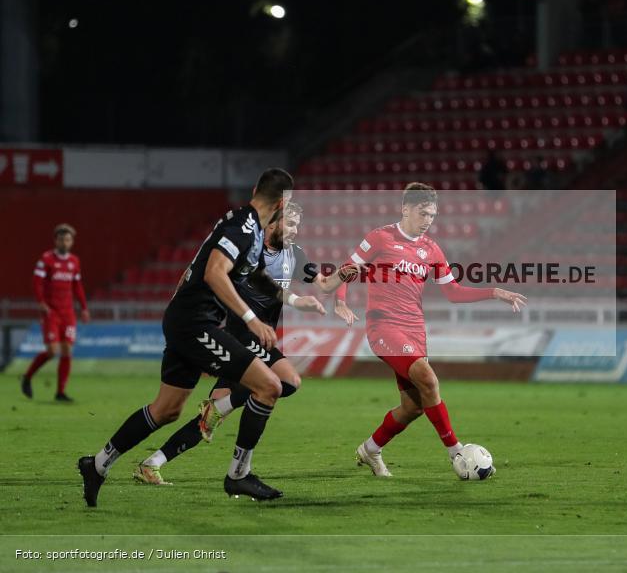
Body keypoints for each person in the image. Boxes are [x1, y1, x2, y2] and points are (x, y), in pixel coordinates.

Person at [78, 168, 298, 506]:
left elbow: (214, 270)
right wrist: (252, 319)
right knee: (270, 386)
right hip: (196, 325)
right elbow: (214, 273)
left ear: (256, 189)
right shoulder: (245, 226)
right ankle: (239, 475)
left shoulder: (245, 227)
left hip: (188, 322)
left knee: (166, 410)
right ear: (284, 203)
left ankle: (97, 465)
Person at [132, 202, 357, 485]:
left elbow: (324, 284)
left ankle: (152, 463)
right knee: (289, 380)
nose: (294, 230)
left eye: (298, 225)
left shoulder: (294, 255)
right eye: (289, 223)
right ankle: (233, 455)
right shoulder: (250, 251)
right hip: (241, 335)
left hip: (253, 341)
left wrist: (343, 276)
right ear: (273, 224)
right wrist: (298, 301)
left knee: (209, 417)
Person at [336, 182, 526, 477]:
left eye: (432, 216)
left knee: (413, 407)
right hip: (383, 326)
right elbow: (346, 270)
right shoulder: (380, 238)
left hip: (415, 330)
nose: (428, 221)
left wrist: (493, 292)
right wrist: (340, 302)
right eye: (423, 214)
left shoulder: (431, 249)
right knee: (429, 380)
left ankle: (370, 450)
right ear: (405, 209)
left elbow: (453, 292)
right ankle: (457, 453)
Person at [22, 224, 90, 402]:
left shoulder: (74, 261)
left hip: (68, 313)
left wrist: (83, 308)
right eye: (61, 239)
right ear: (55, 240)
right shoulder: (46, 259)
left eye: (67, 239)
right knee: (52, 351)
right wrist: (41, 303)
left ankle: (60, 392)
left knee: (67, 350)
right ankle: (27, 377)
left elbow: (77, 286)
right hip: (51, 312)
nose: (64, 242)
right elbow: (36, 282)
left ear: (72, 242)